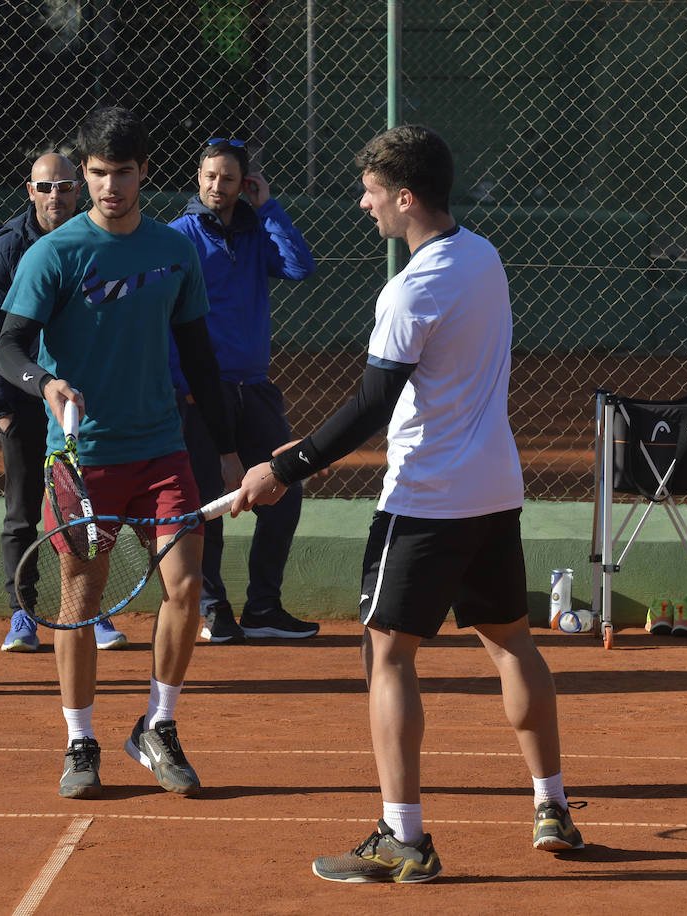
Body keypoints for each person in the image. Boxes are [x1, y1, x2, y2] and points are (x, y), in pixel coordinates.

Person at [233, 125, 584, 882]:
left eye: (370, 192)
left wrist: (283, 468)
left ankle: (404, 838)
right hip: (494, 491)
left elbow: (368, 406)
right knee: (511, 643)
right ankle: (551, 803)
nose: (363, 204)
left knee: (385, 654)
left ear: (404, 197)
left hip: (426, 498)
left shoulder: (412, 289)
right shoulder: (484, 256)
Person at [0, 105, 242, 799]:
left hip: (163, 448)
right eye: (97, 174)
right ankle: (80, 741)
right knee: (81, 596)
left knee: (187, 590)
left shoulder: (173, 250)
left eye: (122, 174)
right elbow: (8, 345)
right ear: (85, 172)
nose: (109, 187)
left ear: (144, 173)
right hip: (84, 458)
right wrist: (44, 384)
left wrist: (224, 450)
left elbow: (198, 354)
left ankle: (157, 727)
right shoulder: (55, 253)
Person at [0, 152, 127, 653]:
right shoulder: (6, 250)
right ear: (29, 190)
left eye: (64, 186)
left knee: (84, 504)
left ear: (77, 188)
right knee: (22, 509)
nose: (55, 196)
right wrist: (0, 404)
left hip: (80, 401)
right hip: (22, 398)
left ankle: (89, 610)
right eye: (45, 187)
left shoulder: (97, 240)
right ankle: (22, 614)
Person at [169, 137, 319, 643]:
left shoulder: (258, 230)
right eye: (210, 176)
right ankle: (214, 610)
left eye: (228, 179)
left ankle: (263, 608)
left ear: (243, 184)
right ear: (198, 178)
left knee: (286, 486)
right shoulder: (179, 236)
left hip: (253, 389)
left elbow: (300, 266)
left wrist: (269, 206)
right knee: (208, 500)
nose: (217, 186)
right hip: (199, 393)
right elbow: (162, 316)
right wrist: (184, 383)